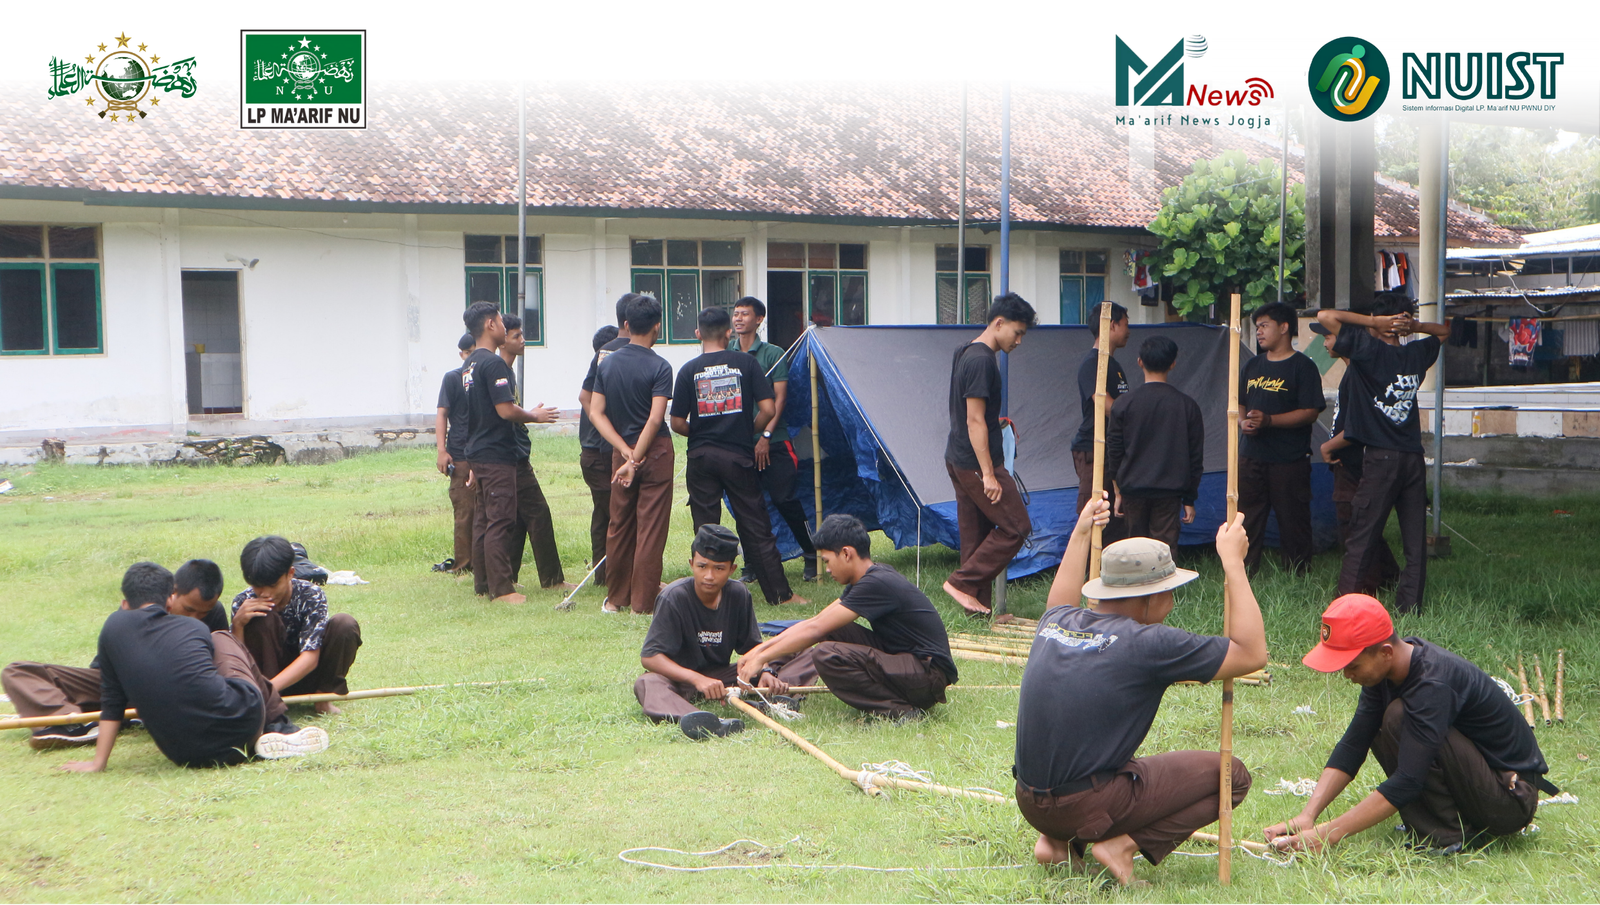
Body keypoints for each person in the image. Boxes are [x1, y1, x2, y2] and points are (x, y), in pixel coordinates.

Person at [1014, 498, 1266, 886]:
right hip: (1086, 806)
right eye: (1169, 591)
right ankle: (1120, 847)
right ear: (1149, 599)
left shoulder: (1057, 622)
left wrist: (1081, 533)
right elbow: (1251, 653)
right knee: (1232, 776)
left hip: (1031, 804)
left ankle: (1057, 843)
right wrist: (1233, 563)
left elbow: (1058, 599)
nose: (1172, 602)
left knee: (1102, 757)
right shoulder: (1148, 643)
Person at [1265, 594, 1556, 854]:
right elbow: (1353, 744)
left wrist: (1328, 834)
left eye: (1352, 665)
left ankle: (1447, 837)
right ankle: (1432, 825)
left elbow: (1408, 779)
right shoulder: (1385, 673)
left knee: (1398, 717)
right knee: (1384, 722)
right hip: (1481, 783)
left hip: (1509, 799)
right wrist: (1308, 816)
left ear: (1385, 652)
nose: (1346, 675)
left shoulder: (1432, 683)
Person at [58, 562, 328, 772]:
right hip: (244, 724)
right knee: (221, 637)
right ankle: (280, 727)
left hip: (183, 753)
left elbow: (112, 700)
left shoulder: (112, 629)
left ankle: (265, 738)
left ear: (125, 603)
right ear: (170, 598)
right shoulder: (195, 628)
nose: (196, 616)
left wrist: (99, 763)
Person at [735, 514, 957, 721]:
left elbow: (815, 629)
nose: (827, 569)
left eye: (827, 560)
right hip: (908, 662)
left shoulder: (876, 583)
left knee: (826, 654)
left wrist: (761, 658)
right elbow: (816, 622)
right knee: (832, 628)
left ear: (846, 553)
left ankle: (900, 711)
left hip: (928, 676)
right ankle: (782, 690)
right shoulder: (869, 577)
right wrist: (758, 653)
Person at [4, 558, 230, 750]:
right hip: (115, 685)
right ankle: (75, 725)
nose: (195, 619)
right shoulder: (141, 609)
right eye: (188, 609)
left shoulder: (214, 615)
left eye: (203, 614)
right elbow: (111, 672)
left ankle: (124, 716)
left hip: (171, 690)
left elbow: (217, 667)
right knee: (17, 672)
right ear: (172, 593)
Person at [1316, 293, 1449, 614]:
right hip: (1413, 458)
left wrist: (1375, 322)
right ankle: (1410, 607)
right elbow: (1444, 331)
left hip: (1381, 459)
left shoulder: (1367, 350)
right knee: (1415, 542)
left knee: (1361, 537)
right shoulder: (1416, 353)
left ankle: (1344, 609)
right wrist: (1413, 326)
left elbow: (1325, 316)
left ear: (1381, 322)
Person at [670, 307, 806, 607]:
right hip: (738, 456)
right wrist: (746, 431)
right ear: (728, 332)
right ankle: (780, 595)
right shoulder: (746, 363)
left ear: (698, 334)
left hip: (701, 458)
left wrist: (700, 432)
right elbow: (768, 409)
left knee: (705, 529)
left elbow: (676, 422)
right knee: (755, 525)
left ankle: (705, 595)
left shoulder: (688, 370)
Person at [635, 525, 808, 739]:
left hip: (721, 677)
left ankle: (777, 696)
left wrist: (765, 671)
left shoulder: (738, 594)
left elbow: (754, 649)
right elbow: (650, 657)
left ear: (732, 569)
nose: (709, 576)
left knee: (795, 649)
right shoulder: (673, 597)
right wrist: (697, 679)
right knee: (648, 683)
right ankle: (702, 719)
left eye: (719, 568)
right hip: (680, 680)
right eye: (702, 566)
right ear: (691, 564)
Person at [942, 292, 1036, 617]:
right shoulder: (982, 361)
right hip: (976, 464)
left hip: (958, 458)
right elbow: (974, 420)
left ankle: (977, 613)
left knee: (976, 536)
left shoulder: (966, 350)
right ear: (999, 323)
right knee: (1016, 526)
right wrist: (989, 474)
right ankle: (960, 582)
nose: (1019, 341)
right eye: (1017, 332)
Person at [459, 301, 560, 604]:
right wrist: (534, 416)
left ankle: (484, 584)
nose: (506, 327)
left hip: (479, 452)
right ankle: (502, 590)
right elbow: (505, 410)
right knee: (501, 520)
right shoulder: (493, 364)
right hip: (496, 454)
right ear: (490, 325)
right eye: (502, 322)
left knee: (484, 519)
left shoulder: (469, 365)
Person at [589, 294, 675, 615]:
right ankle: (642, 603)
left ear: (626, 324)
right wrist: (637, 456)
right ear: (657, 327)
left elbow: (596, 412)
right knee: (650, 528)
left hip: (621, 452)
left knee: (619, 524)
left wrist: (625, 452)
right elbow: (655, 419)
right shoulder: (660, 366)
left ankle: (615, 600)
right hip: (655, 452)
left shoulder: (607, 362)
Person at [732, 296, 818, 583]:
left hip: (775, 441)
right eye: (736, 313)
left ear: (759, 320)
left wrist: (766, 435)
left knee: (784, 499)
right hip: (739, 444)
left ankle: (811, 553)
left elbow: (779, 399)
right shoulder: (728, 352)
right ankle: (753, 564)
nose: (738, 318)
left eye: (745, 314)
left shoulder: (773, 353)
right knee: (747, 506)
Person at [1238, 302, 1326, 575]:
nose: (1259, 332)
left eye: (1264, 326)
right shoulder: (1252, 365)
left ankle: (1297, 571)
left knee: (1293, 518)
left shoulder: (1303, 367)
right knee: (1247, 517)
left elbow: (1310, 412)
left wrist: (1270, 420)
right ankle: (1244, 570)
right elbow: (1240, 401)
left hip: (1289, 458)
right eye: (1257, 327)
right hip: (1251, 455)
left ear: (1284, 327)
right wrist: (1243, 422)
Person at [1312, 322, 1401, 591]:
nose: (1324, 343)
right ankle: (1389, 577)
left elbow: (1358, 426)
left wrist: (1328, 447)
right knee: (1361, 524)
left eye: (1328, 336)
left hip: (1354, 461)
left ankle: (1365, 588)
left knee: (1354, 526)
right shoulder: (1352, 372)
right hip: (1349, 461)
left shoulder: (1358, 374)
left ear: (1347, 338)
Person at [231, 535, 362, 714]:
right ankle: (272, 703)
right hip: (264, 679)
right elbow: (236, 661)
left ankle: (322, 699)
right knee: (261, 618)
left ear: (290, 573)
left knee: (344, 624)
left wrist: (268, 689)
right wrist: (238, 625)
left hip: (304, 678)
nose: (265, 593)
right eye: (257, 586)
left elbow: (310, 658)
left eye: (273, 585)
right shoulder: (244, 602)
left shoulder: (311, 595)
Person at [497, 313, 574, 594]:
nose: (523, 341)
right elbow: (505, 413)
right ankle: (552, 580)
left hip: (515, 452)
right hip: (510, 456)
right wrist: (533, 416)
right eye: (516, 336)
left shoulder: (508, 372)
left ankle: (509, 575)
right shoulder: (499, 371)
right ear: (502, 340)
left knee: (520, 517)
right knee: (539, 512)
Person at [1105, 335, 1204, 550]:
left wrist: (1118, 490)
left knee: (1135, 550)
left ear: (1140, 362)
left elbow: (1114, 451)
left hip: (1132, 490)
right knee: (1164, 551)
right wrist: (1189, 499)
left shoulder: (1122, 404)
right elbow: (1195, 457)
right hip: (1169, 493)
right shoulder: (1187, 406)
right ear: (1172, 364)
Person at [1072, 301, 1130, 544]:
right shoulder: (1092, 363)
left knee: (1114, 514)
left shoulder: (1114, 365)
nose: (1128, 331)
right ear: (1112, 325)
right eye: (1126, 325)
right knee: (1093, 509)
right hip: (1093, 448)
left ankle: (1109, 562)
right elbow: (1103, 404)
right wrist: (1137, 416)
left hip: (1113, 448)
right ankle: (1085, 564)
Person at [576, 324, 620, 586]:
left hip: (593, 455)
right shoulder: (603, 375)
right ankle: (613, 574)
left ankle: (602, 574)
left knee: (603, 514)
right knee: (615, 513)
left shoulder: (597, 377)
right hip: (598, 456)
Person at [434, 332, 477, 574]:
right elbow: (442, 413)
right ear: (461, 354)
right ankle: (463, 565)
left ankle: (484, 563)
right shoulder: (452, 378)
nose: (471, 357)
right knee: (465, 511)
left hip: (485, 452)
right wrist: (442, 450)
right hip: (460, 453)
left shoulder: (487, 376)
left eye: (474, 352)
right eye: (467, 353)